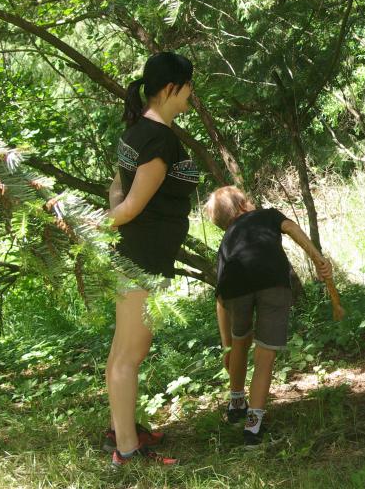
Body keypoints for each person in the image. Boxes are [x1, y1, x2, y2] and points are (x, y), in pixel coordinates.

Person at [105, 52, 198, 465]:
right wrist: (91, 228)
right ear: (171, 89)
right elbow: (127, 208)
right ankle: (126, 449)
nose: (191, 96)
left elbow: (116, 188)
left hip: (135, 256)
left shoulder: (137, 131)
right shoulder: (160, 141)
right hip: (139, 261)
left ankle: (122, 430)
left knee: (122, 350)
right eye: (189, 88)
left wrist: (114, 219)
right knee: (131, 353)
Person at [204, 186, 332, 446]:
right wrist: (318, 259)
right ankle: (253, 428)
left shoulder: (227, 239)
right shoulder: (268, 215)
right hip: (273, 283)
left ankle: (236, 404)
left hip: (235, 288)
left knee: (240, 342)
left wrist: (226, 344)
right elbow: (293, 229)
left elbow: (220, 300)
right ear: (243, 205)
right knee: (265, 356)